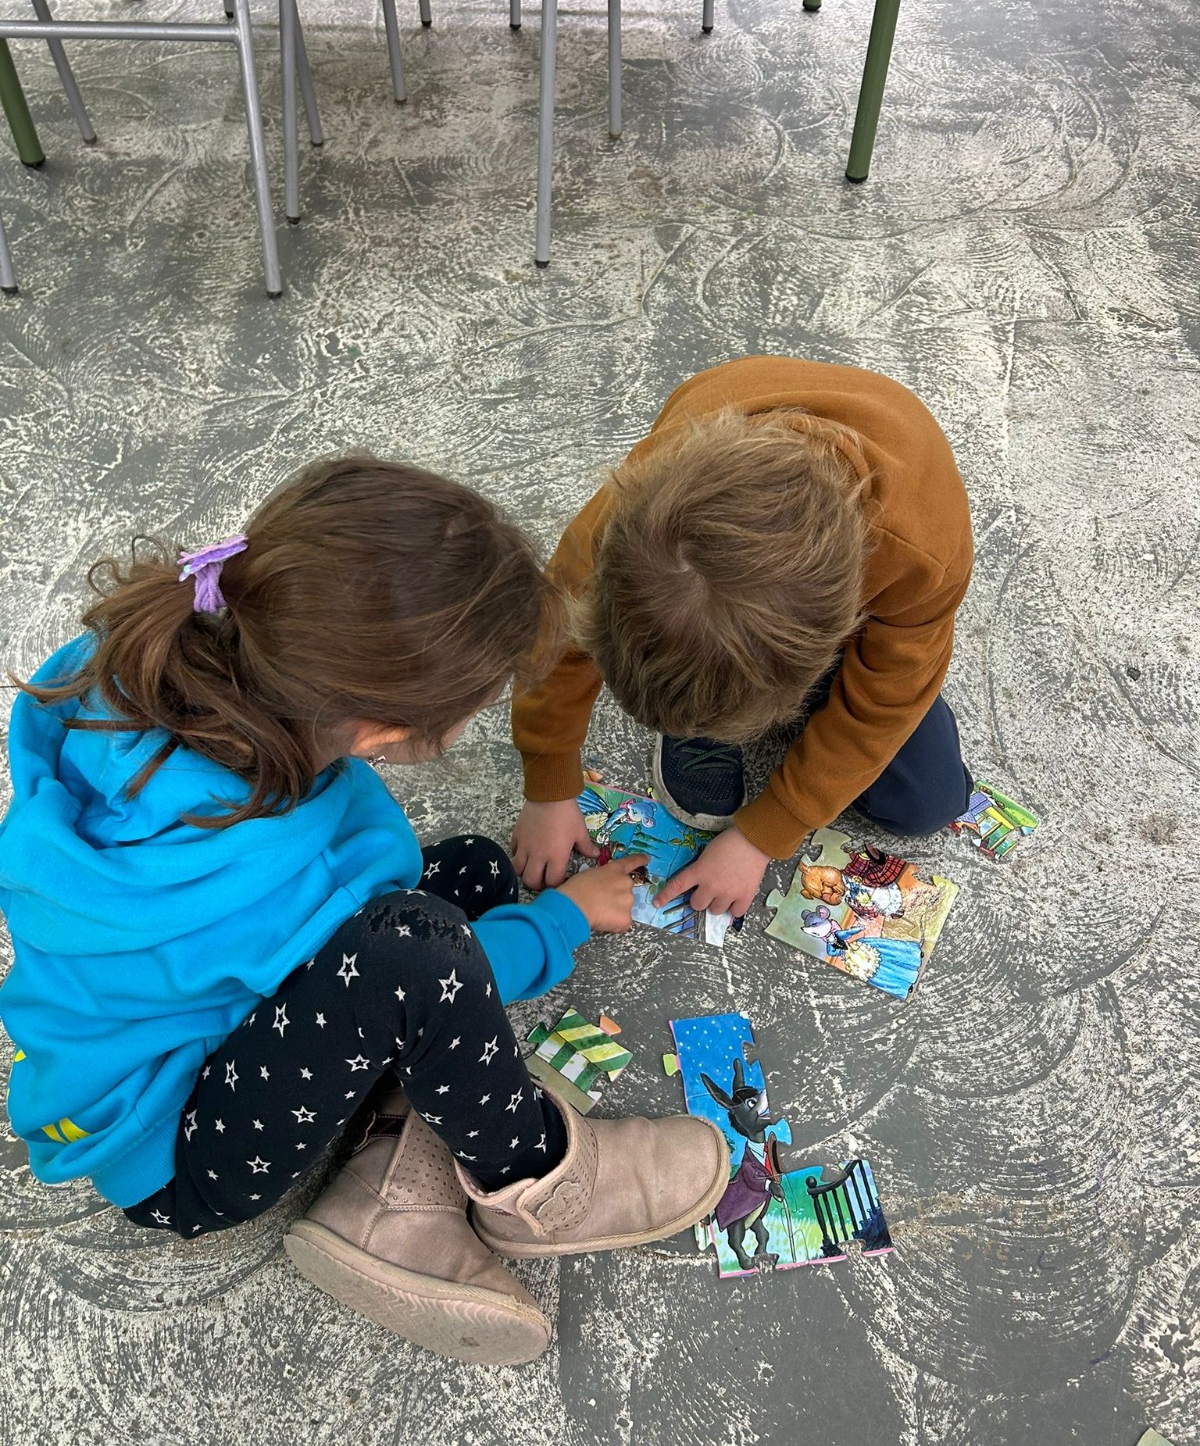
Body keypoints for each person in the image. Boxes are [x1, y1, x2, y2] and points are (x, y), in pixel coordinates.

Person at [0, 456, 727, 1367]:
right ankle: (540, 1182)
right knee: (421, 952)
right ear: (384, 728)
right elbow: (424, 970)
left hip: (167, 1035)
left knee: (472, 869)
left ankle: (388, 1195)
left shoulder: (156, 662)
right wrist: (564, 920)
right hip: (181, 1156)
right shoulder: (284, 865)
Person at [510, 356, 975, 917]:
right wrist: (549, 779)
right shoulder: (628, 515)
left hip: (890, 532)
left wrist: (765, 834)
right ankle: (713, 690)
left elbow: (886, 704)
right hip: (722, 437)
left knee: (929, 803)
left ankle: (731, 691)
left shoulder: (923, 554)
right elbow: (556, 629)